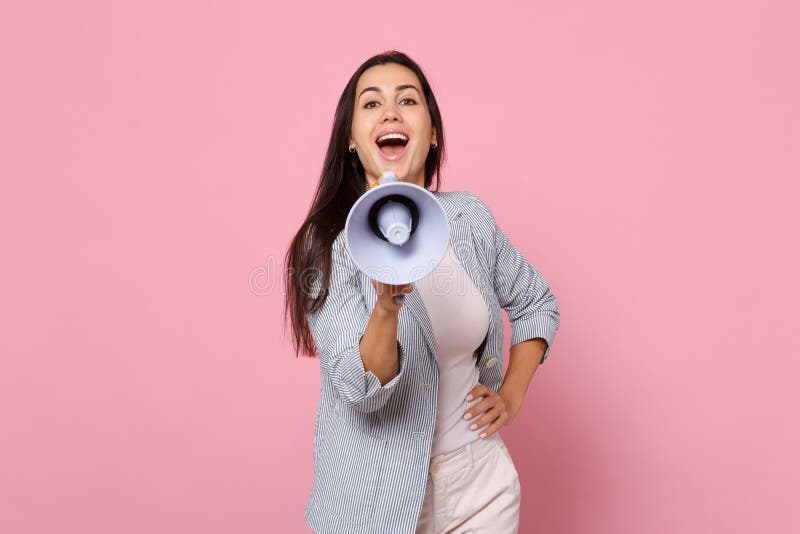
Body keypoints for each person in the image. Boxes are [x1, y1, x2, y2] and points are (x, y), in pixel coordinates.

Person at [284, 50, 561, 534]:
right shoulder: (326, 243)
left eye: (407, 100)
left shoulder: (470, 218)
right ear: (351, 140)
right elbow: (359, 390)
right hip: (376, 499)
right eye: (370, 104)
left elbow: (537, 303)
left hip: (481, 487)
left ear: (432, 133)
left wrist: (511, 395)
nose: (390, 112)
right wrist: (387, 305)